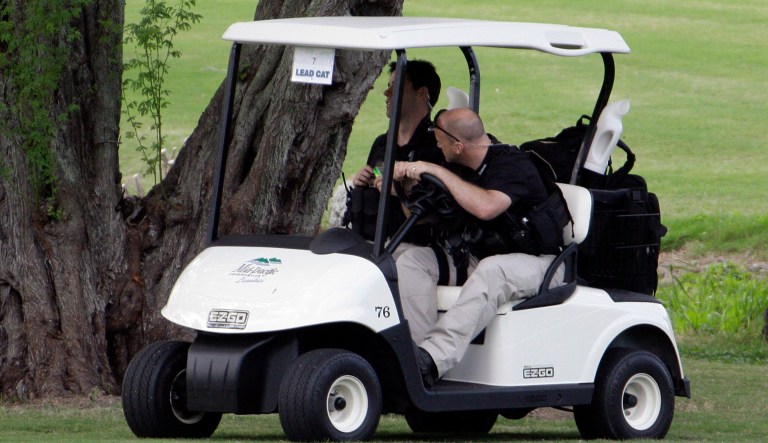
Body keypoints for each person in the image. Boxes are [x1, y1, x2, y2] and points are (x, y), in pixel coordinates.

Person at [392, 107, 566, 386]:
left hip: (542, 263)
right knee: (412, 261)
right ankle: (416, 358)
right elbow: (423, 217)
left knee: (492, 270)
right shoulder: (459, 167)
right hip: (483, 255)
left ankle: (433, 358)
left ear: (458, 146)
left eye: (440, 140)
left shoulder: (513, 165)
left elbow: (486, 207)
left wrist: (434, 170)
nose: (435, 145)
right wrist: (403, 187)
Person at [346, 60, 444, 244]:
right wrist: (365, 180)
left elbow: (433, 216)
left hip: (413, 249)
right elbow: (379, 174)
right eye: (388, 85)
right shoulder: (382, 144)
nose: (386, 93)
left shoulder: (436, 148)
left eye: (396, 86)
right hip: (370, 242)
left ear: (421, 94)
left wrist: (398, 190)